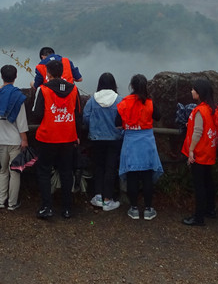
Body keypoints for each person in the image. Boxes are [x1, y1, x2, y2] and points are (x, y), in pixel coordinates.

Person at [31, 58, 81, 220]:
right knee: (67, 171)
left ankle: (47, 207)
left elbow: (37, 114)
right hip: (68, 136)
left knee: (44, 171)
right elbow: (78, 114)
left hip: (48, 136)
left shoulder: (43, 89)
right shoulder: (74, 89)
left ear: (48, 73)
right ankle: (67, 208)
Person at [118, 74, 164, 220]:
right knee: (147, 177)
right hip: (147, 142)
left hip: (131, 141)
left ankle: (134, 209)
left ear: (131, 86)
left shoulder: (125, 102)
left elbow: (117, 121)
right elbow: (158, 116)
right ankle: (149, 209)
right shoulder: (149, 102)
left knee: (132, 175)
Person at [82, 72, 123, 212]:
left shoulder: (93, 100)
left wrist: (94, 126)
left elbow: (86, 118)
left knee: (98, 167)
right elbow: (123, 119)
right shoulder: (119, 100)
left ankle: (98, 196)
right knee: (111, 168)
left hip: (97, 139)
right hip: (114, 139)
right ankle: (108, 200)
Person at [181, 78, 218, 226]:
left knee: (199, 185)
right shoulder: (213, 108)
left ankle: (199, 217)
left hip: (199, 152)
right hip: (210, 150)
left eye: (194, 89)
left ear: (199, 93)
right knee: (208, 182)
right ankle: (211, 209)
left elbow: (197, 132)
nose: (191, 91)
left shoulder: (199, 110)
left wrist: (191, 151)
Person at [0, 65, 29, 211]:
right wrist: (24, 139)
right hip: (15, 140)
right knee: (15, 172)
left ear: (1, 76)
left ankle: (1, 200)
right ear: (16, 76)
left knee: (2, 170)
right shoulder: (17, 96)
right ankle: (12, 203)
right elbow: (21, 121)